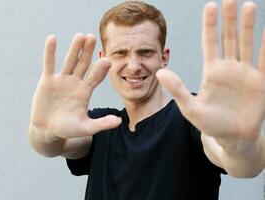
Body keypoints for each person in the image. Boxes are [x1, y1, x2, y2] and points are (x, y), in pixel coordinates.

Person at [27, 0, 265, 199]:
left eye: (145, 52)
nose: (133, 65)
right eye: (120, 53)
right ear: (104, 59)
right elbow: (52, 146)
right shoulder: (101, 125)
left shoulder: (193, 116)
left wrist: (240, 144)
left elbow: (243, 164)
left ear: (164, 57)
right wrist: (42, 131)